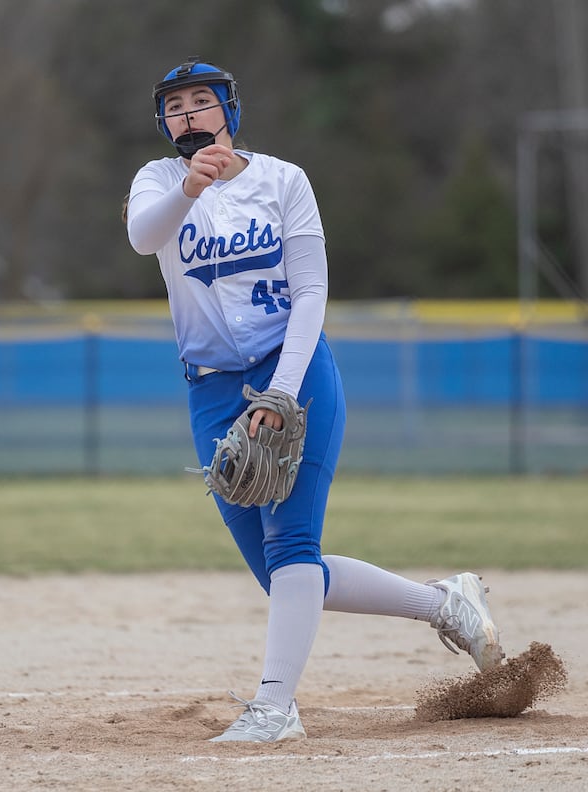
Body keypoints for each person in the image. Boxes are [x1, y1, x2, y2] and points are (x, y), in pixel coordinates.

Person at [125, 57, 504, 743]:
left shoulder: (283, 180)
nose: (188, 115)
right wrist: (188, 187)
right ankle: (446, 604)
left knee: (294, 541)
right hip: (211, 389)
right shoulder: (157, 182)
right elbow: (143, 237)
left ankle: (275, 707)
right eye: (174, 106)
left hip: (292, 370)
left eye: (201, 102)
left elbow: (310, 294)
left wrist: (280, 390)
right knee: (282, 575)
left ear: (229, 113)